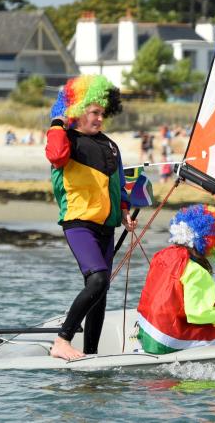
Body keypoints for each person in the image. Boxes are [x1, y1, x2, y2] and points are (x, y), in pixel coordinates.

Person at [45, 75, 136, 361]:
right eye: (93, 112)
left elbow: (118, 182)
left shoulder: (110, 146)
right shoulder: (65, 139)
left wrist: (123, 212)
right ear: (78, 111)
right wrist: (58, 123)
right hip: (79, 223)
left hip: (105, 227)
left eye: (101, 113)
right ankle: (62, 340)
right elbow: (56, 156)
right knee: (96, 281)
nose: (99, 118)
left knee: (101, 291)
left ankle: (91, 355)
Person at [136, 204, 215, 354]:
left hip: (146, 333)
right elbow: (196, 314)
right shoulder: (197, 271)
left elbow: (170, 293)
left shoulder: (162, 256)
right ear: (210, 242)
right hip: (165, 338)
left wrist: (210, 298)